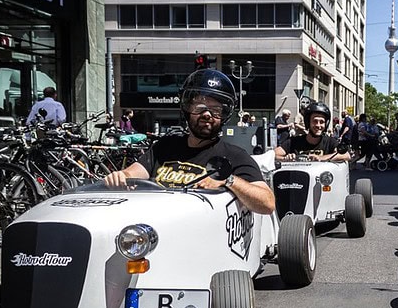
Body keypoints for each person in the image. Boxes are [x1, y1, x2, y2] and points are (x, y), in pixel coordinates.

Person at [104, 69, 275, 215]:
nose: (207, 115)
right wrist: (120, 177)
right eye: (199, 108)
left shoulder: (235, 155)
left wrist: (228, 180)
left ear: (224, 115)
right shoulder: (165, 146)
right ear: (187, 109)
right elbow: (131, 174)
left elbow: (267, 203)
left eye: (215, 110)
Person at [274, 101, 350, 162]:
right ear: (308, 122)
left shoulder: (329, 142)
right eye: (315, 121)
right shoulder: (293, 142)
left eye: (322, 122)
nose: (318, 125)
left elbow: (346, 155)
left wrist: (322, 158)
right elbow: (272, 155)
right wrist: (285, 159)